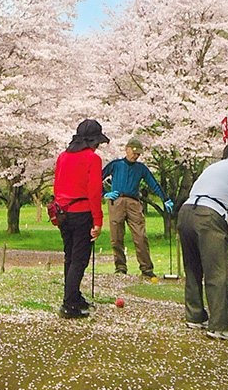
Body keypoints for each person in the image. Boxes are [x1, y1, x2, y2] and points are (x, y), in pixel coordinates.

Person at [177, 141, 228, 342]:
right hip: (210, 216)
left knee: (193, 268)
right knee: (219, 273)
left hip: (186, 213)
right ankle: (219, 326)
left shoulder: (211, 168)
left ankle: (194, 316)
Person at [53, 119, 107, 319]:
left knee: (70, 257)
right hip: (82, 213)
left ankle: (74, 296)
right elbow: (94, 192)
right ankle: (69, 304)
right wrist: (98, 221)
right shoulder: (92, 159)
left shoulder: (62, 157)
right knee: (79, 259)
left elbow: (56, 186)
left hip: (63, 212)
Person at [102, 137, 173, 278]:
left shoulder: (141, 168)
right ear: (126, 149)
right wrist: (105, 193)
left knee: (140, 236)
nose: (136, 155)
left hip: (134, 202)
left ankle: (146, 268)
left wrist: (165, 199)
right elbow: (97, 177)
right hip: (117, 201)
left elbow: (153, 184)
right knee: (116, 236)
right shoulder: (116, 165)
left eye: (138, 153)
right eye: (134, 152)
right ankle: (120, 266)